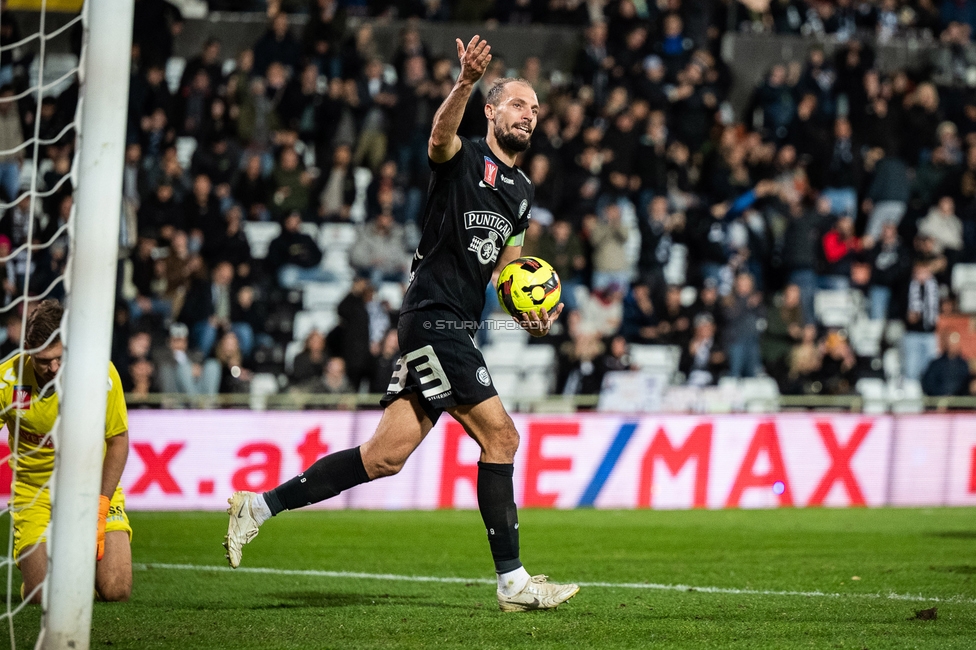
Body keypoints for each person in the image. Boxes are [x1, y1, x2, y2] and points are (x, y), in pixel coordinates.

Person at [224, 36, 579, 612]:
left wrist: (529, 315)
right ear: (491, 111)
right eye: (518, 104)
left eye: (535, 109)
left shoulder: (522, 191)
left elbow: (506, 270)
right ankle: (513, 583)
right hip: (431, 317)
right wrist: (464, 81)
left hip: (455, 325)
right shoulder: (462, 156)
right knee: (501, 436)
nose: (529, 114)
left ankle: (257, 506)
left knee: (383, 457)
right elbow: (438, 137)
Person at [6, 300, 131, 603]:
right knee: (47, 596)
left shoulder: (100, 373)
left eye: (60, 358)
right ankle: (36, 579)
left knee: (116, 589)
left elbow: (118, 441)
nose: (53, 368)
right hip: (34, 493)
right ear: (27, 348)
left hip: (92, 489)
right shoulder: (6, 379)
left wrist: (100, 507)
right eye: (43, 360)